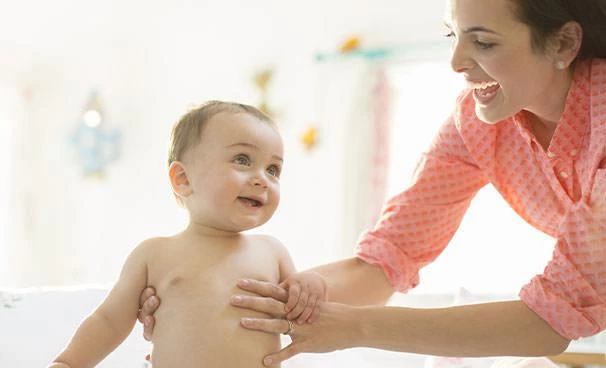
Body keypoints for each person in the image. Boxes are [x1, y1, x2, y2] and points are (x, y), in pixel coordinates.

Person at [139, 0, 606, 365]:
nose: (456, 62)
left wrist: (355, 327)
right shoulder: (480, 122)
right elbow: (384, 262)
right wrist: (216, 301)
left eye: (483, 43)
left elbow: (548, 322)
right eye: (453, 35)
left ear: (564, 44)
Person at [48, 101, 327, 368]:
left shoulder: (272, 252)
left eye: (273, 169)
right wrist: (70, 362)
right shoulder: (154, 254)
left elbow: (306, 319)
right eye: (242, 160)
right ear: (183, 179)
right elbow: (109, 320)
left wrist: (312, 285)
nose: (262, 179)